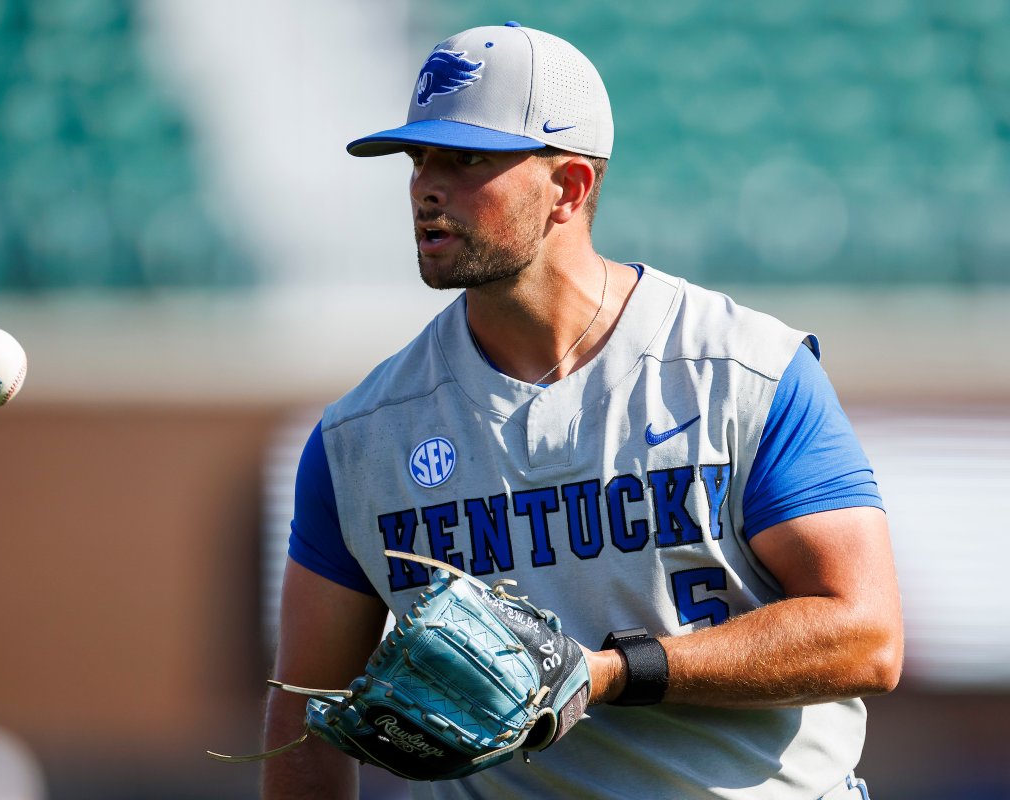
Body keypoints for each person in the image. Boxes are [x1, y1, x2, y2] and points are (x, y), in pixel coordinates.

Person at [262, 22, 902, 800]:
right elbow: (305, 712)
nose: (426, 185)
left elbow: (866, 634)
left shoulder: (743, 372)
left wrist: (606, 674)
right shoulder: (360, 441)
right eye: (418, 158)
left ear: (569, 188)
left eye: (466, 159)